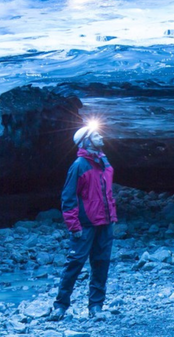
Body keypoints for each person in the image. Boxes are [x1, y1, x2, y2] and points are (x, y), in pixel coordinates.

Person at [48, 123, 118, 321]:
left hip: (105, 222)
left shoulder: (104, 162)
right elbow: (68, 197)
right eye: (96, 135)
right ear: (86, 141)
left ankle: (96, 307)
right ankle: (60, 306)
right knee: (75, 264)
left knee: (101, 263)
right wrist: (74, 225)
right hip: (86, 224)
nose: (100, 137)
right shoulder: (79, 165)